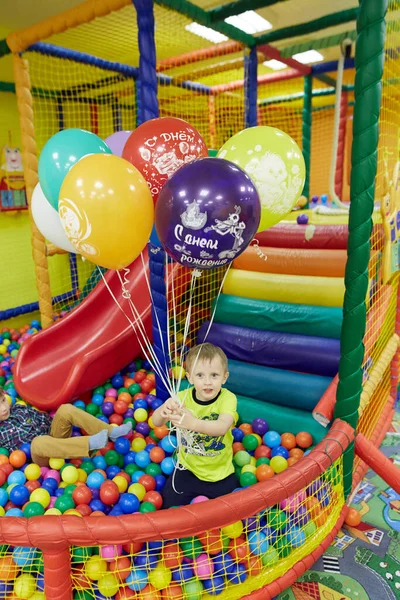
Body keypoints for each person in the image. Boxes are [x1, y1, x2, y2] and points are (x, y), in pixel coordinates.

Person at [153, 343, 238, 508]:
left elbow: (222, 427)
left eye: (214, 375)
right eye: (200, 375)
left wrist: (193, 423)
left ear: (224, 377)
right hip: (188, 470)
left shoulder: (228, 398)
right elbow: (157, 422)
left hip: (219, 474)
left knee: (229, 514)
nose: (207, 382)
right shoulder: (182, 397)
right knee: (168, 507)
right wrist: (164, 410)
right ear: (190, 377)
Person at [0, 386, 131, 466]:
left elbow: (44, 419)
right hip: (40, 457)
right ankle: (89, 443)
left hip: (54, 438)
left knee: (65, 409)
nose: (4, 408)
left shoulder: (18, 408)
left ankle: (110, 432)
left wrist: (59, 425)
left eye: (3, 401)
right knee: (38, 442)